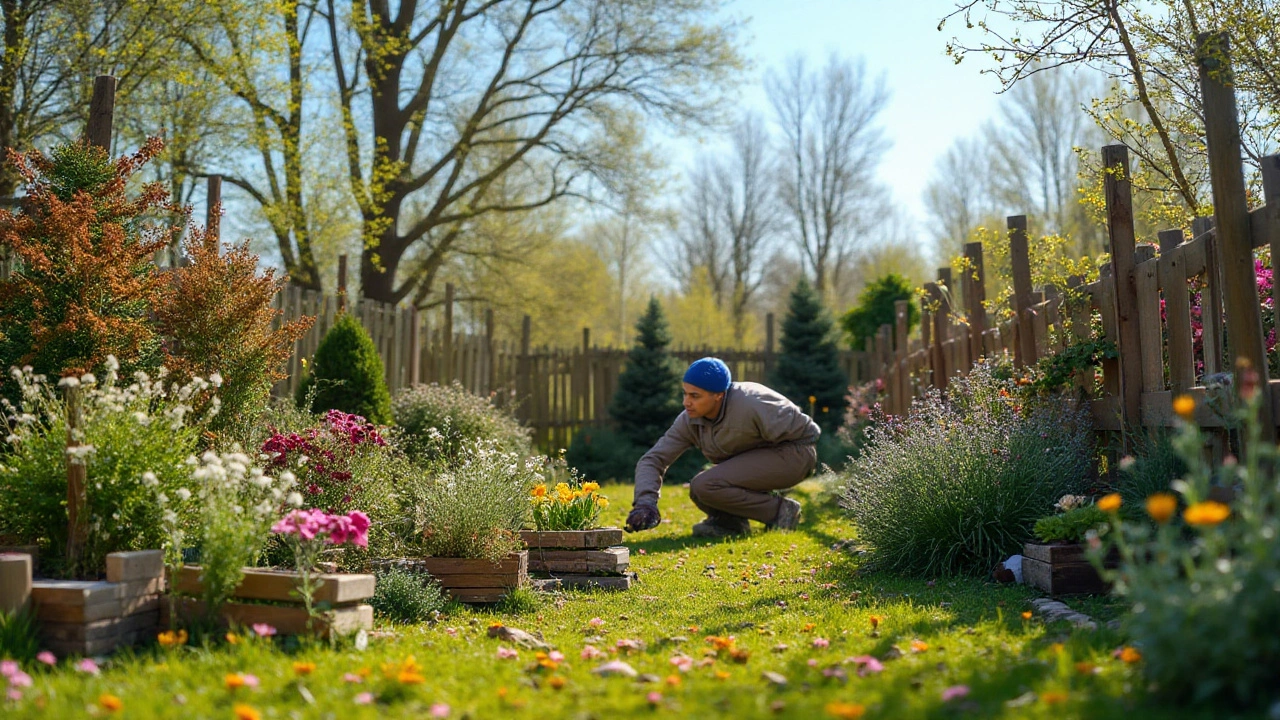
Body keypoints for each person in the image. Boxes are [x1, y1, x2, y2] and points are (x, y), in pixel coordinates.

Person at [624, 357, 820, 538]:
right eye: (685, 394)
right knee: (700, 489)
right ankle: (730, 524)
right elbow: (654, 459)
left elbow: (809, 432)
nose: (686, 402)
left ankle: (782, 512)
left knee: (707, 484)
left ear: (718, 395)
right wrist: (645, 503)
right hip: (765, 458)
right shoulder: (689, 420)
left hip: (795, 453)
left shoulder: (751, 402)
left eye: (695, 396)